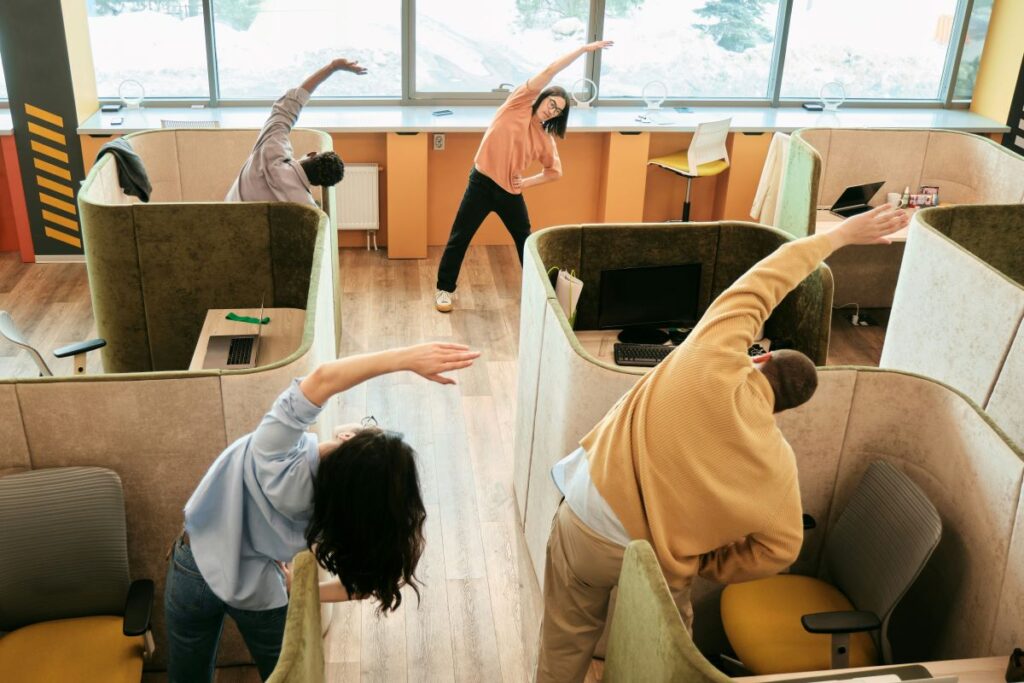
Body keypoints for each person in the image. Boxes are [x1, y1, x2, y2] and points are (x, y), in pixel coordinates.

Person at [536, 204, 910, 682]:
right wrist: (708, 562)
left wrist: (839, 238)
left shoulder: (710, 351)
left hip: (588, 520)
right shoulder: (778, 465)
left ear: (761, 357)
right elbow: (782, 548)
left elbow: (768, 276)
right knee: (662, 664)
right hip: (662, 566)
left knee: (564, 641)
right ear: (786, 408)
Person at [164, 342, 480, 682]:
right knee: (287, 675)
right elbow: (364, 584)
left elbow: (324, 378)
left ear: (346, 437)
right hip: (261, 592)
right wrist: (301, 589)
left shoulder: (275, 454)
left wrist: (404, 359)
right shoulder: (340, 513)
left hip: (194, 566)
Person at [433, 41, 613, 313]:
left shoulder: (544, 138)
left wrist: (526, 182)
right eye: (551, 103)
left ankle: (541, 295)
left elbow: (555, 172)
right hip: (480, 184)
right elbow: (551, 69)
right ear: (542, 98)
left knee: (526, 242)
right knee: (460, 236)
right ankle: (444, 290)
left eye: (557, 110)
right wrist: (583, 51)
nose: (551, 110)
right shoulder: (517, 104)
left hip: (509, 193)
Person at [225, 58, 367, 204]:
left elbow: (291, 104)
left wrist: (332, 67)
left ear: (311, 154)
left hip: (222, 219)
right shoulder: (306, 207)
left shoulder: (271, 147)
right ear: (318, 184)